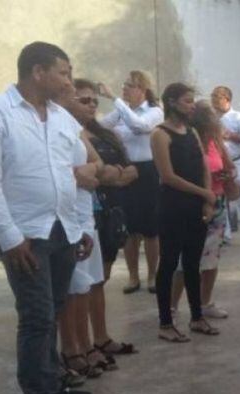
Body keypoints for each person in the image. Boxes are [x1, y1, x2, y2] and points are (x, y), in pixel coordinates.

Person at [0, 41, 92, 394]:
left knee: (53, 310)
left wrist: (79, 226)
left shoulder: (61, 117)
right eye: (64, 72)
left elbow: (70, 174)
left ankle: (52, 381)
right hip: (26, 235)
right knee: (37, 317)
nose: (69, 81)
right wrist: (8, 237)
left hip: (63, 229)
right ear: (38, 72)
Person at [61, 78, 138, 378]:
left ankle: (97, 339)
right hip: (76, 214)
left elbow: (114, 169)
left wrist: (103, 172)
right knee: (77, 285)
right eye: (84, 100)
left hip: (100, 211)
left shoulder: (99, 132)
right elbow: (94, 172)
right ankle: (76, 348)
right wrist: (102, 173)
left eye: (94, 100)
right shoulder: (62, 128)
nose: (91, 105)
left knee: (96, 279)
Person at [151, 83, 219, 342]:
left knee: (193, 263)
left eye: (192, 101)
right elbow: (168, 176)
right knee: (169, 263)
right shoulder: (160, 134)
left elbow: (203, 166)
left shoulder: (191, 132)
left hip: (195, 207)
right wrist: (203, 193)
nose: (192, 106)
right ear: (171, 102)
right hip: (173, 207)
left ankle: (196, 316)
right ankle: (165, 323)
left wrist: (207, 199)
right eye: (187, 101)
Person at [98, 70, 163, 294]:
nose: (124, 88)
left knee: (151, 228)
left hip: (148, 170)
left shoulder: (154, 111)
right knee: (129, 227)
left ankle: (153, 275)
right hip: (127, 169)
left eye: (130, 85)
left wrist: (113, 98)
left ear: (142, 90)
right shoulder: (121, 111)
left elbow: (139, 126)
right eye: (124, 85)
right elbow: (101, 127)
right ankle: (133, 276)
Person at [170, 100, 235, 319]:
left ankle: (205, 302)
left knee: (211, 258)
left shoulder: (216, 143)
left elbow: (230, 167)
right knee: (185, 260)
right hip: (193, 204)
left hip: (217, 203)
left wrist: (227, 175)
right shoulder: (186, 143)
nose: (210, 129)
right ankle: (171, 306)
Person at [211, 86, 240, 238]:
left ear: (226, 99)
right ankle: (225, 234)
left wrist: (228, 135)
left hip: (235, 162)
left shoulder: (239, 117)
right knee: (220, 199)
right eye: (212, 97)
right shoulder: (210, 118)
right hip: (217, 164)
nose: (213, 100)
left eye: (216, 97)